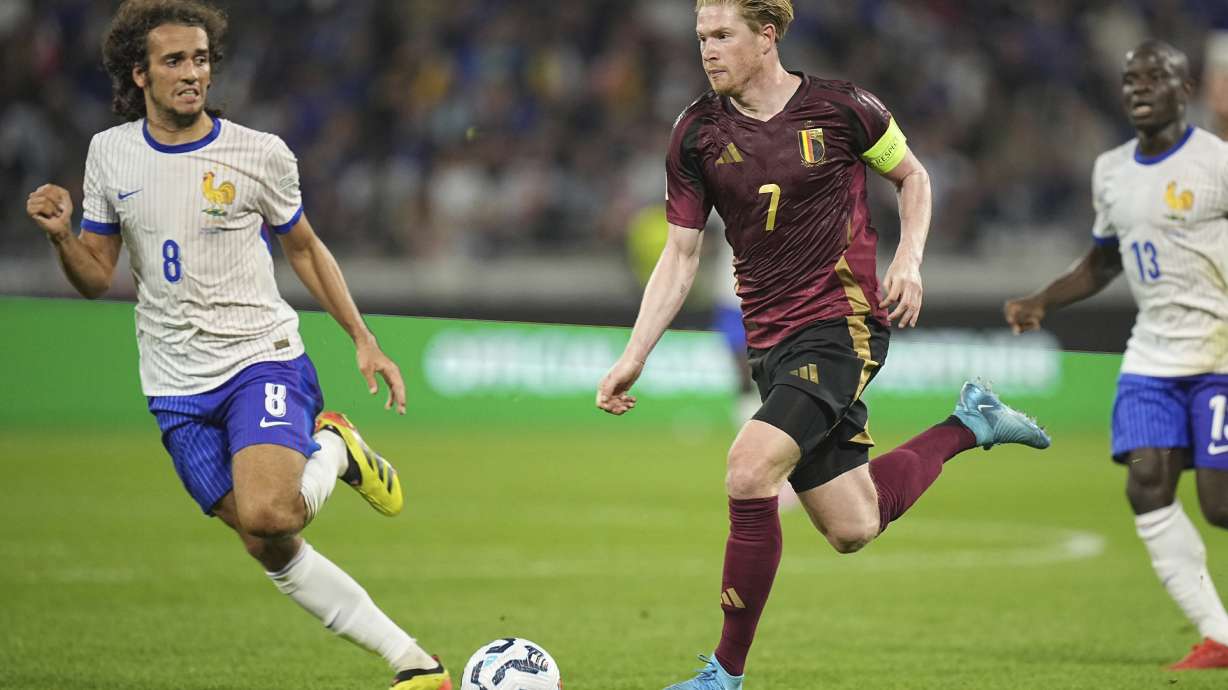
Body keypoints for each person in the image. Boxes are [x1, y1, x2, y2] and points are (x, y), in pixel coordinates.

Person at [595, 2, 1051, 688]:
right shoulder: (696, 134)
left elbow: (915, 178)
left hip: (843, 326)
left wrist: (910, 259)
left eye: (721, 36)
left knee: (749, 469)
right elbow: (682, 256)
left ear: (766, 36)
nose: (707, 50)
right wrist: (635, 354)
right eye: (701, 38)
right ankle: (970, 423)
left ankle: (724, 673)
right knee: (852, 525)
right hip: (770, 340)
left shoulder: (843, 109)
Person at [24, 2, 451, 688]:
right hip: (174, 386)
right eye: (174, 61)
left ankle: (334, 443)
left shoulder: (259, 153)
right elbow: (96, 276)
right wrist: (61, 237)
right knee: (269, 543)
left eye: (200, 60)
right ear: (140, 73)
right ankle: (414, 663)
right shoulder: (110, 154)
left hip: (261, 355)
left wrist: (363, 339)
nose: (192, 73)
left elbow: (307, 251)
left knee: (270, 509)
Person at [1006, 39, 1228, 671]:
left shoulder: (1218, 163)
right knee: (1146, 485)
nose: (1139, 87)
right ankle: (1220, 634)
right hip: (1151, 359)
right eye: (1131, 78)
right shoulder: (1111, 170)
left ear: (1186, 90)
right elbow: (1105, 258)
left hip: (1219, 356)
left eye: (1155, 77)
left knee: (1220, 504)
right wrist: (1044, 299)